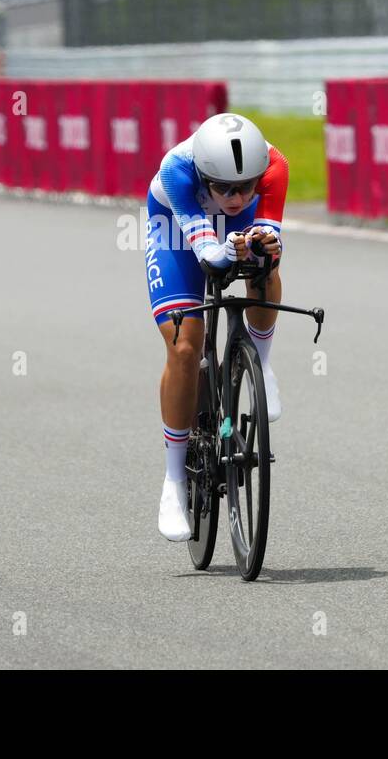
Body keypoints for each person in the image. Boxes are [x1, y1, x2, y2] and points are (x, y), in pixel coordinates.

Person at [144, 112, 289, 541]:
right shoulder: (177, 170)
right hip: (176, 226)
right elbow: (208, 255)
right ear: (205, 175)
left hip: (236, 229)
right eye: (224, 187)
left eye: (246, 186)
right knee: (186, 346)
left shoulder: (275, 169)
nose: (235, 195)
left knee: (263, 263)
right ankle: (173, 479)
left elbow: (268, 238)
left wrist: (261, 246)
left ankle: (259, 364)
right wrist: (221, 249)